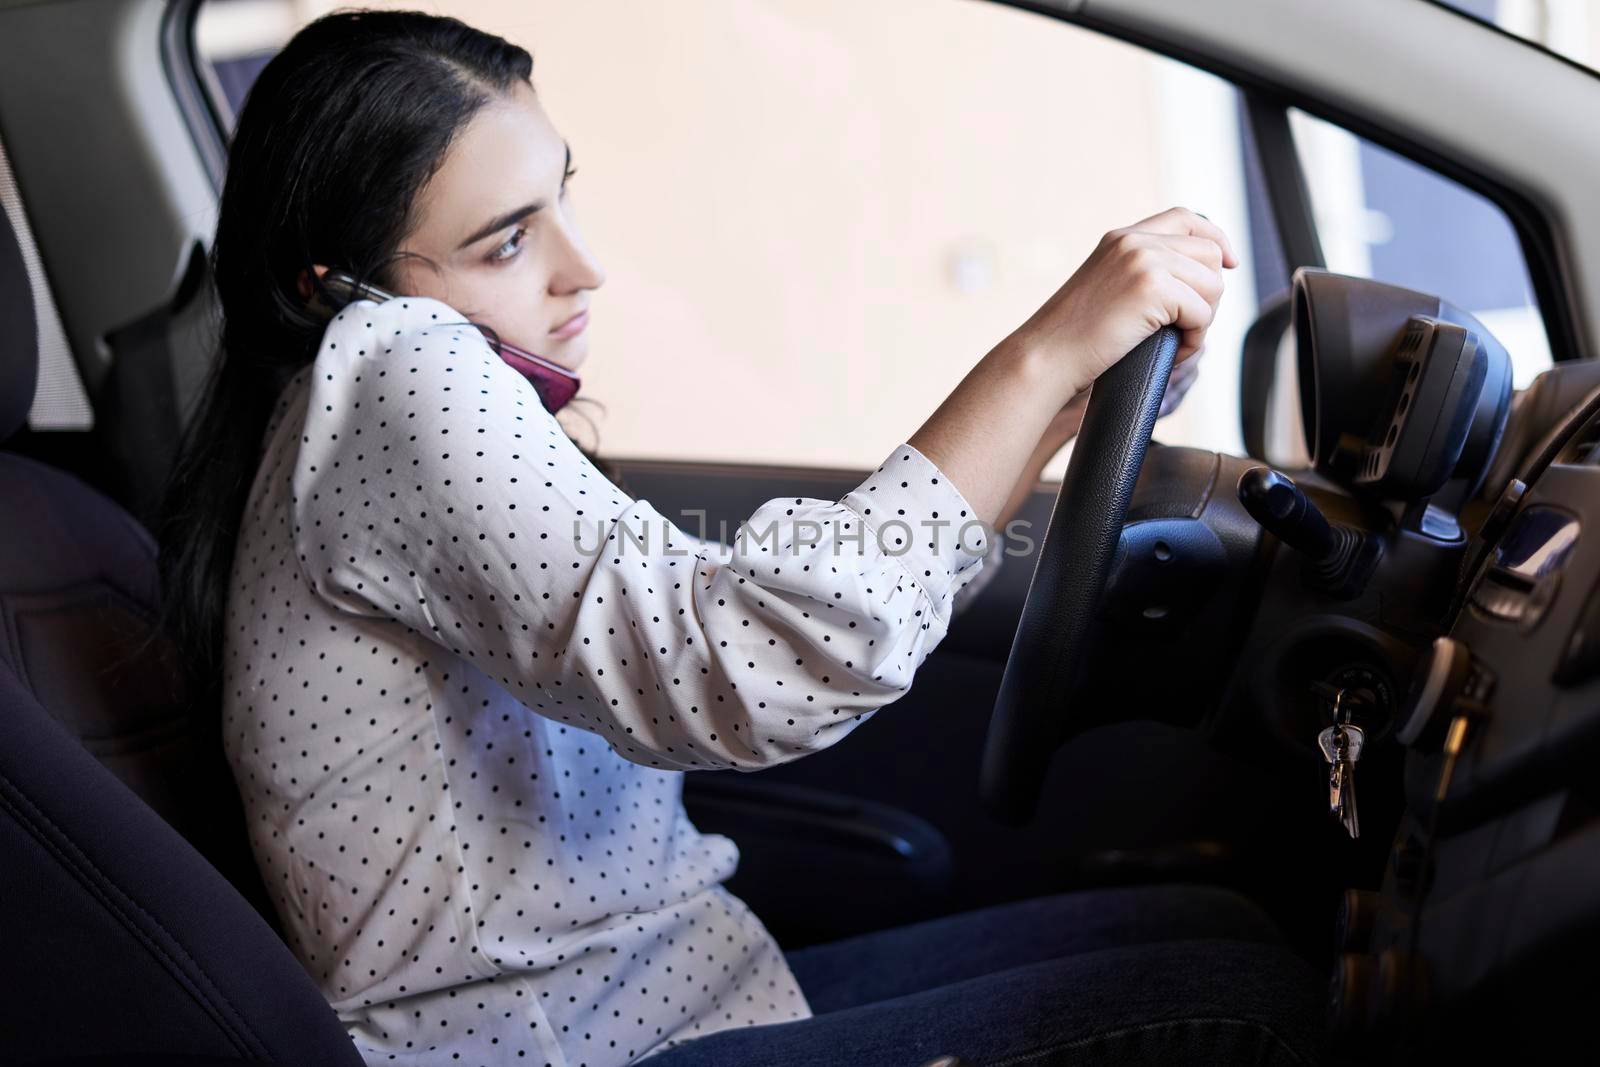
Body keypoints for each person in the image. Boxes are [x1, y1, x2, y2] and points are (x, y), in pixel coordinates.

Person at [155, 9, 1325, 1067]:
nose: (582, 268)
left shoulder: (350, 408)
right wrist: (1041, 353)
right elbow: (744, 665)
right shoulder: (397, 368)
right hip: (555, 1044)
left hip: (677, 994)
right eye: (507, 242)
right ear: (335, 284)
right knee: (1243, 1003)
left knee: (1209, 923)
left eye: (562, 199)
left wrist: (1067, 399)